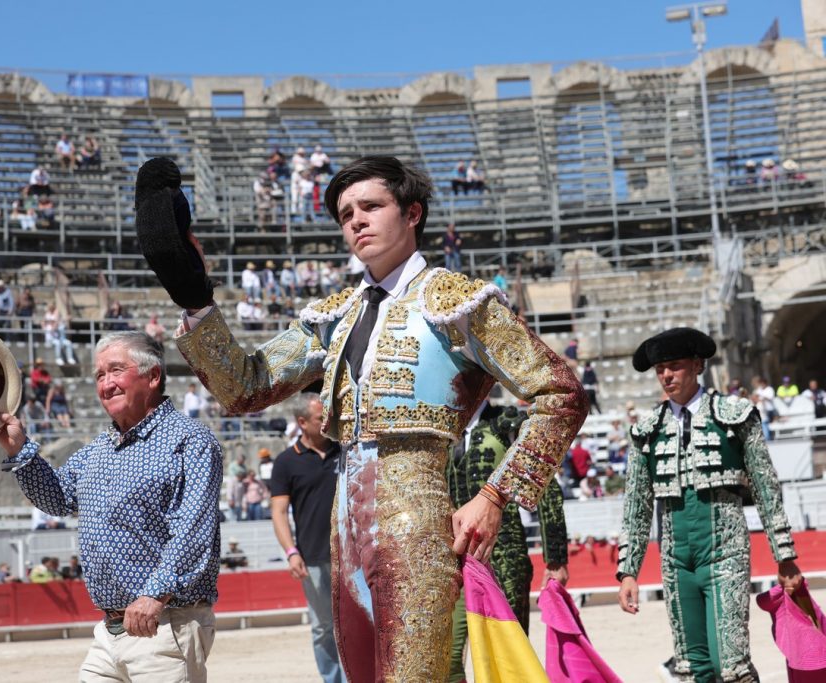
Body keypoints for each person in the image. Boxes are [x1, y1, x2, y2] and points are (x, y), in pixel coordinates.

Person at [147, 154, 586, 681]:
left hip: (420, 518)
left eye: (371, 206)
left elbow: (560, 392)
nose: (356, 220)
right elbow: (246, 387)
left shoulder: (458, 302)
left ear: (413, 213)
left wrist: (495, 495)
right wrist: (194, 299)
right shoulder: (333, 317)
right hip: (345, 524)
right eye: (345, 212)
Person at [0, 331, 221, 681]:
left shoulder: (189, 440)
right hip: (109, 629)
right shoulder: (99, 448)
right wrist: (19, 450)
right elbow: (57, 498)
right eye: (100, 375)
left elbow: (194, 529)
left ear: (153, 375)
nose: (106, 384)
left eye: (116, 370)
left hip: (164, 622)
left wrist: (154, 595)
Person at [617, 327, 803, 682]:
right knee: (692, 669)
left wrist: (785, 555)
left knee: (732, 668)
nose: (666, 376)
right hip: (675, 562)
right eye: (659, 369)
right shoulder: (647, 430)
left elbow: (765, 485)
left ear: (698, 365)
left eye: (674, 366)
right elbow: (636, 505)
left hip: (726, 553)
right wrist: (628, 570)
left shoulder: (732, 415)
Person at [446, 402, 568, 682]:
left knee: (506, 653)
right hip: (455, 558)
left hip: (504, 555)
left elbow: (546, 487)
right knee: (448, 657)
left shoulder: (509, 422)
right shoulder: (443, 429)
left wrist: (556, 558)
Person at [270, 393, 343, 683]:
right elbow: (278, 512)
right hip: (313, 556)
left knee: (360, 622)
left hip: (352, 555)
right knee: (324, 626)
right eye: (319, 418)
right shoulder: (286, 462)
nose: (327, 421)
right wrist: (291, 551)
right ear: (302, 422)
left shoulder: (346, 450)